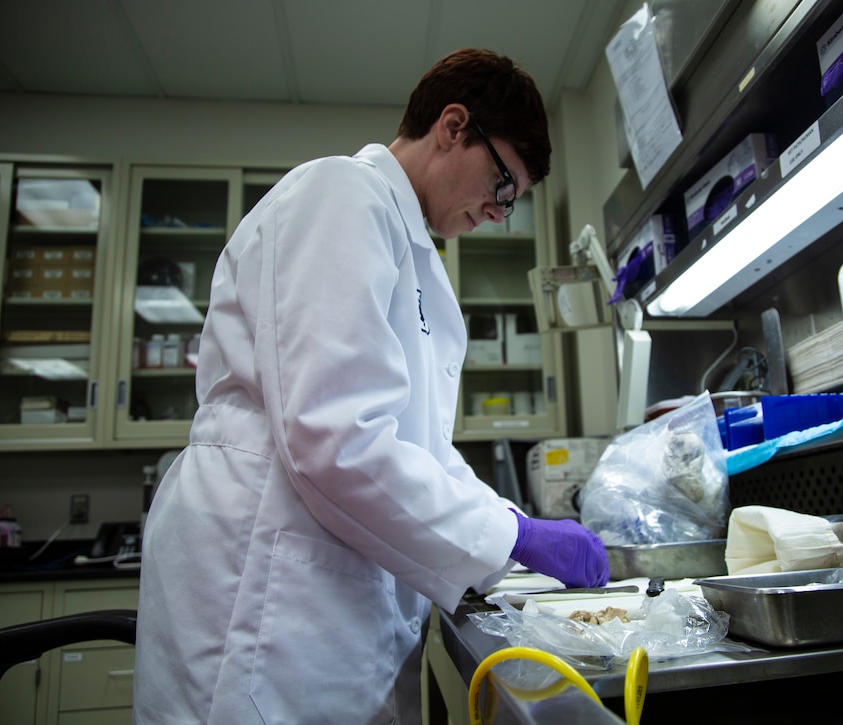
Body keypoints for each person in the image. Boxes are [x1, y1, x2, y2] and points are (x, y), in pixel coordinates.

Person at [133, 48, 608, 723]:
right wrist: (513, 536)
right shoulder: (339, 195)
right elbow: (335, 437)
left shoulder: (414, 255)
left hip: (326, 597)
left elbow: (418, 450)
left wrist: (511, 525)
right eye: (504, 186)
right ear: (452, 126)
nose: (501, 211)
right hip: (262, 588)